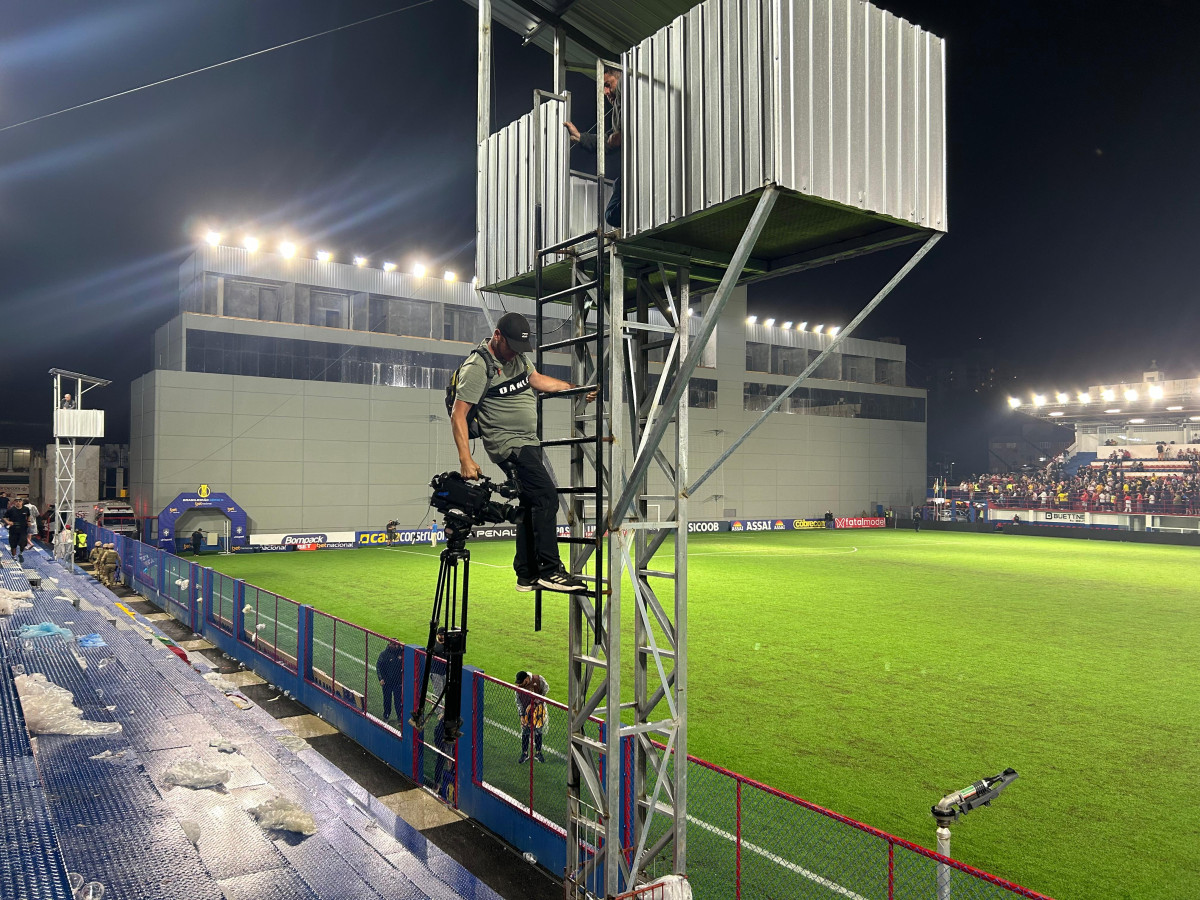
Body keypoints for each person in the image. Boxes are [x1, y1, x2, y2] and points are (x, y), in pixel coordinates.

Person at [452, 312, 590, 593]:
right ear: (497, 336)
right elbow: (458, 414)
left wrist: (574, 389)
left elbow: (536, 379)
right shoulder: (478, 367)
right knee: (547, 498)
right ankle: (550, 571)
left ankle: (526, 574)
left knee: (530, 505)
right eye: (511, 346)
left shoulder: (518, 357)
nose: (515, 353)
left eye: (520, 348)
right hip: (508, 444)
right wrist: (466, 459)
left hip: (528, 442)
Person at [565, 65, 622, 229]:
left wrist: (616, 138)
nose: (606, 92)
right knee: (612, 213)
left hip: (645, 170)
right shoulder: (617, 112)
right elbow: (613, 139)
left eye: (607, 84)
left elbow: (619, 139)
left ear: (619, 77)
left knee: (612, 213)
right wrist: (581, 137)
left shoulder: (631, 94)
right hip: (632, 172)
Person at [515, 670, 548, 764]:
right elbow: (518, 703)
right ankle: (524, 753)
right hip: (526, 711)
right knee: (525, 731)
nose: (520, 684)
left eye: (521, 682)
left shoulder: (538, 680)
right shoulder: (518, 688)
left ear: (526, 679)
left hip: (538, 711)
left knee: (538, 730)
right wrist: (521, 716)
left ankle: (538, 752)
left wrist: (540, 699)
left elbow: (546, 688)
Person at [376, 641, 404, 724]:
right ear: (389, 645)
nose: (396, 646)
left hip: (398, 683)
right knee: (387, 700)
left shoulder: (402, 653)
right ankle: (386, 716)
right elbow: (378, 666)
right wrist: (380, 679)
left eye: (397, 644)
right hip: (387, 683)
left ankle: (400, 718)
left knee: (398, 702)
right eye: (394, 644)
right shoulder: (384, 654)